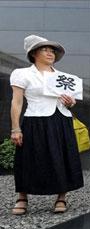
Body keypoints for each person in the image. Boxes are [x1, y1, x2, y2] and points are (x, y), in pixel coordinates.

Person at [9, 35, 83, 215]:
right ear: (33, 53)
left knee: (62, 156)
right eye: (45, 49)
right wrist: (15, 128)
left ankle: (61, 197)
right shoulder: (22, 73)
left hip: (61, 120)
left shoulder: (64, 77)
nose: (50, 53)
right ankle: (22, 197)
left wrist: (70, 102)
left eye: (52, 50)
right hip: (35, 119)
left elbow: (71, 102)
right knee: (28, 157)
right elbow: (17, 102)